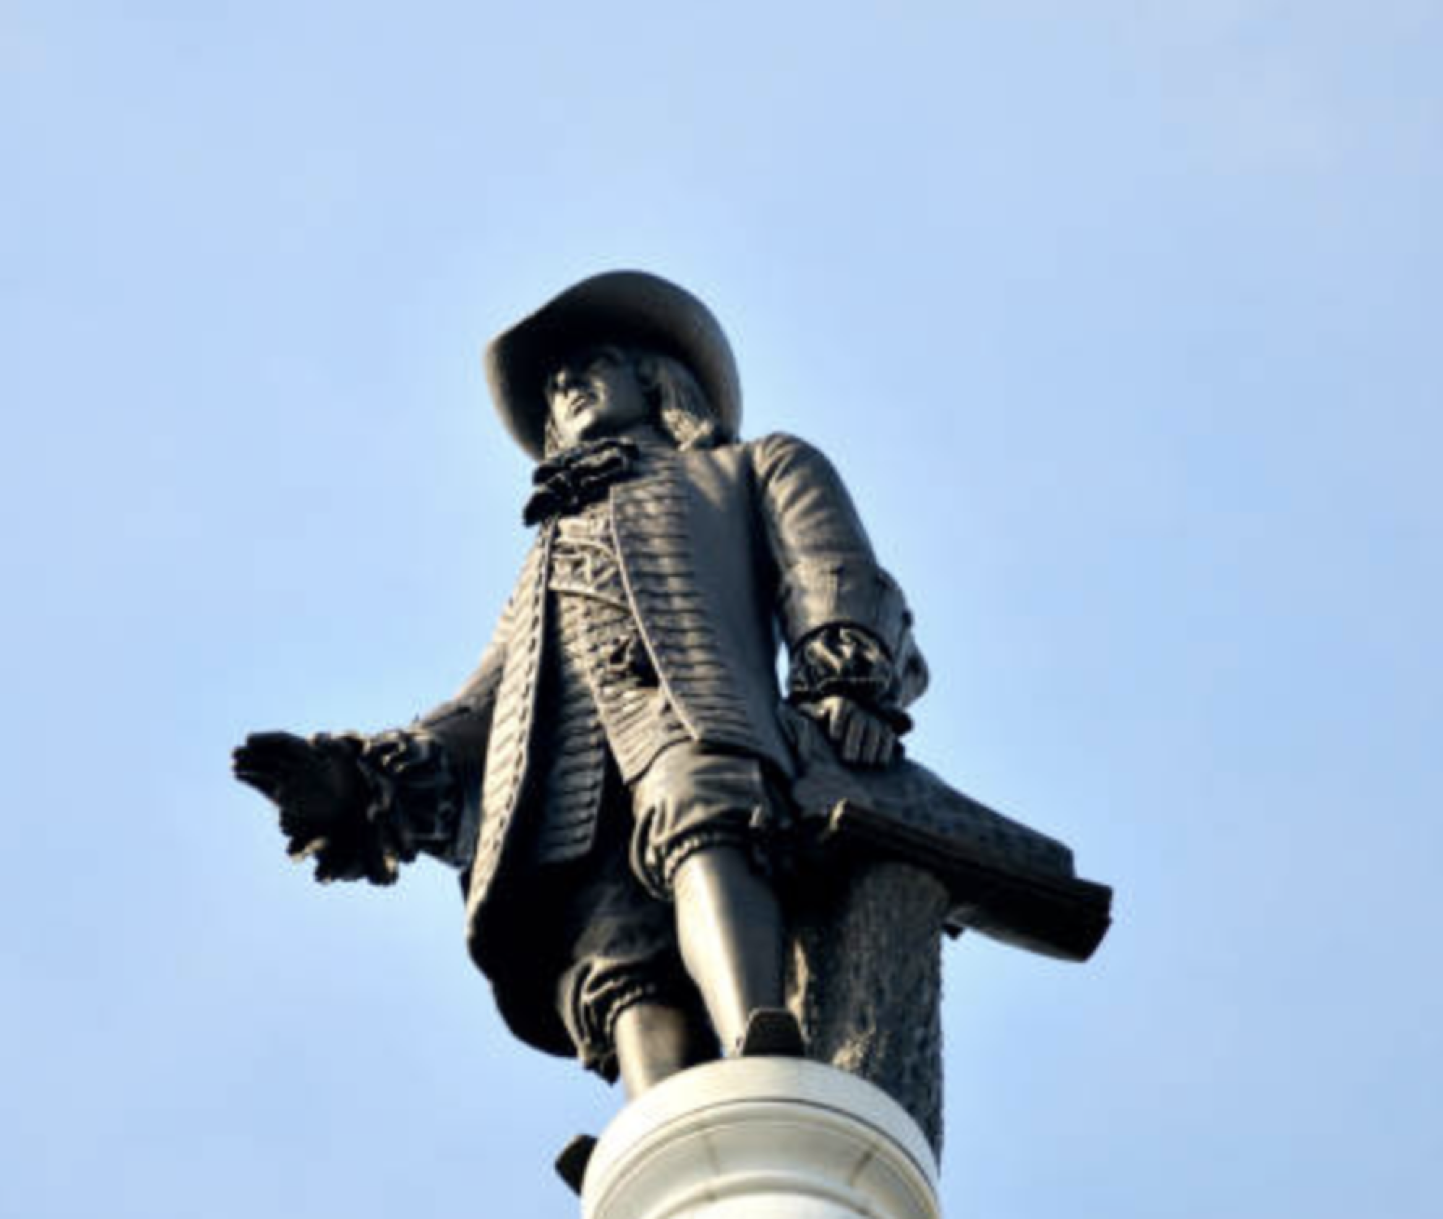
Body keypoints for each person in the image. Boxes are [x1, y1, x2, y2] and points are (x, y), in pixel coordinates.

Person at [233, 271, 1108, 1170]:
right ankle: (668, 1125)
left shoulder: (751, 467)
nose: (565, 386)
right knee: (615, 952)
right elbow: (481, 709)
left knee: (704, 824)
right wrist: (360, 778)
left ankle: (760, 1037)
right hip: (575, 785)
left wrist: (844, 681)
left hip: (696, 718)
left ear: (657, 379)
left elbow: (831, 571)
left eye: (590, 363)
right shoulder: (546, 557)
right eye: (553, 384)